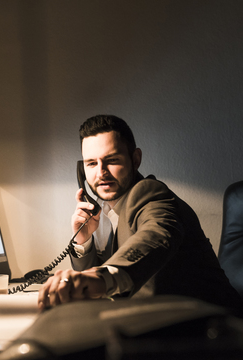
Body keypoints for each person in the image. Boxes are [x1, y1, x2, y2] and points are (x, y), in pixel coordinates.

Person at [38, 114, 243, 315]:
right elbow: (94, 291)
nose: (101, 173)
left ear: (135, 159)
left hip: (215, 331)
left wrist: (101, 278)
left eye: (112, 160)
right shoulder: (105, 211)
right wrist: (83, 241)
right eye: (91, 163)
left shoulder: (149, 193)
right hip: (163, 326)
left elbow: (157, 233)